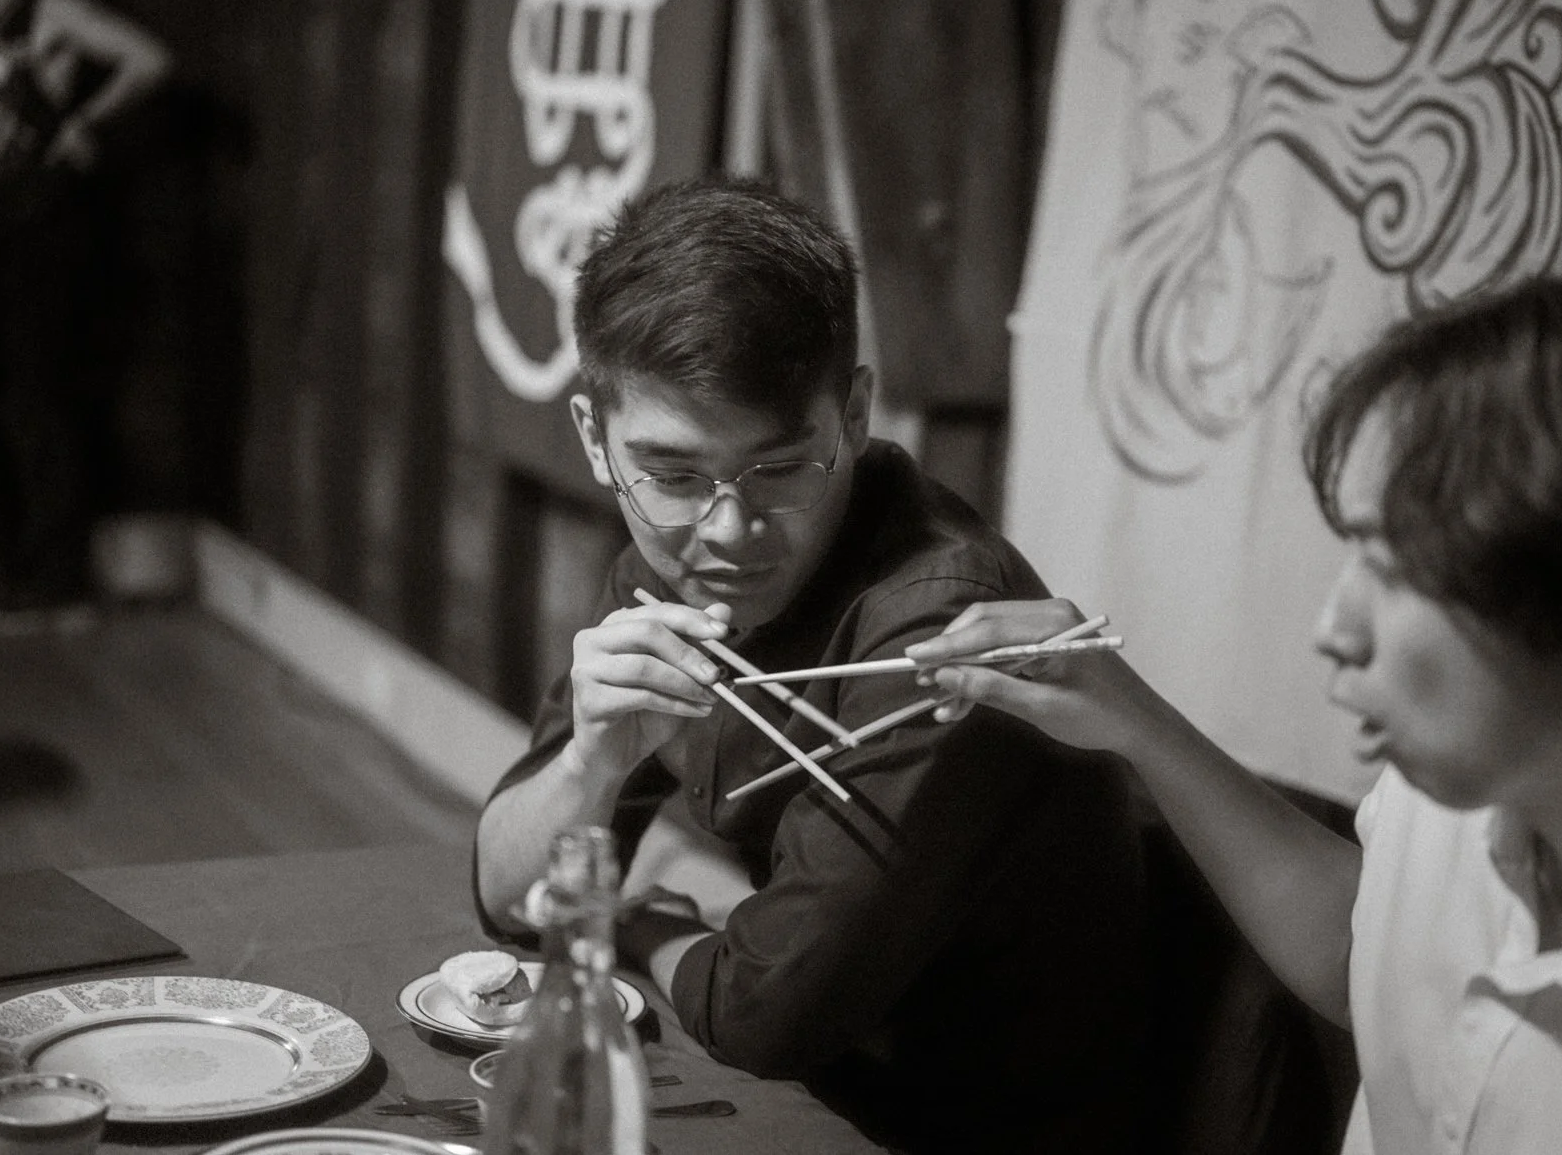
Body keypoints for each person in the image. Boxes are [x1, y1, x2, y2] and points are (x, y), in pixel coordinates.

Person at [911, 269, 1562, 1154]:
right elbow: (1365, 951)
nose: (1334, 625)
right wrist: (1135, 724)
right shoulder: (1482, 778)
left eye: (1397, 564)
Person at [473, 179, 1158, 1155]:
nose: (728, 532)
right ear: (594, 438)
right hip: (817, 1091)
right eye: (673, 474)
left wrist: (634, 924)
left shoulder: (936, 625)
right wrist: (591, 763)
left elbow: (765, 1010)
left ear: (856, 413)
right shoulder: (662, 568)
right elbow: (504, 892)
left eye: (782, 469)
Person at [0, 0, 173, 631]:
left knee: (38, 396)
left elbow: (151, 60)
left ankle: (57, 581)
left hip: (48, 227)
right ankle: (17, 565)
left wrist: (84, 124)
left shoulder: (52, 2)